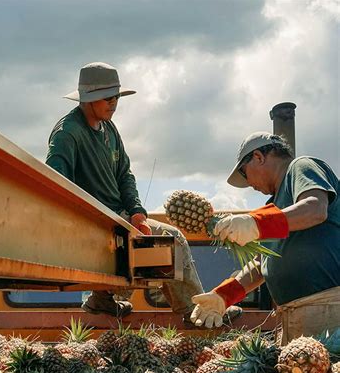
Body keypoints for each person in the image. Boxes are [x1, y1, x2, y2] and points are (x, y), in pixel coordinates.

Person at [46, 62, 204, 318]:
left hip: (121, 217)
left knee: (158, 244)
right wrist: (81, 220)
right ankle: (193, 311)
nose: (114, 103)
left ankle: (103, 300)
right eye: (108, 97)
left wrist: (136, 211)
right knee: (171, 238)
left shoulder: (109, 128)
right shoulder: (67, 133)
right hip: (94, 221)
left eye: (117, 96)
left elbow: (125, 174)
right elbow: (56, 179)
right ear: (89, 98)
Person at [190, 131, 340, 343]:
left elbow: (315, 208)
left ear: (259, 157)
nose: (249, 184)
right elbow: (264, 261)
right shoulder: (276, 205)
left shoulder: (302, 167)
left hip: (328, 313)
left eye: (244, 173)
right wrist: (224, 295)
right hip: (295, 318)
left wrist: (256, 223)